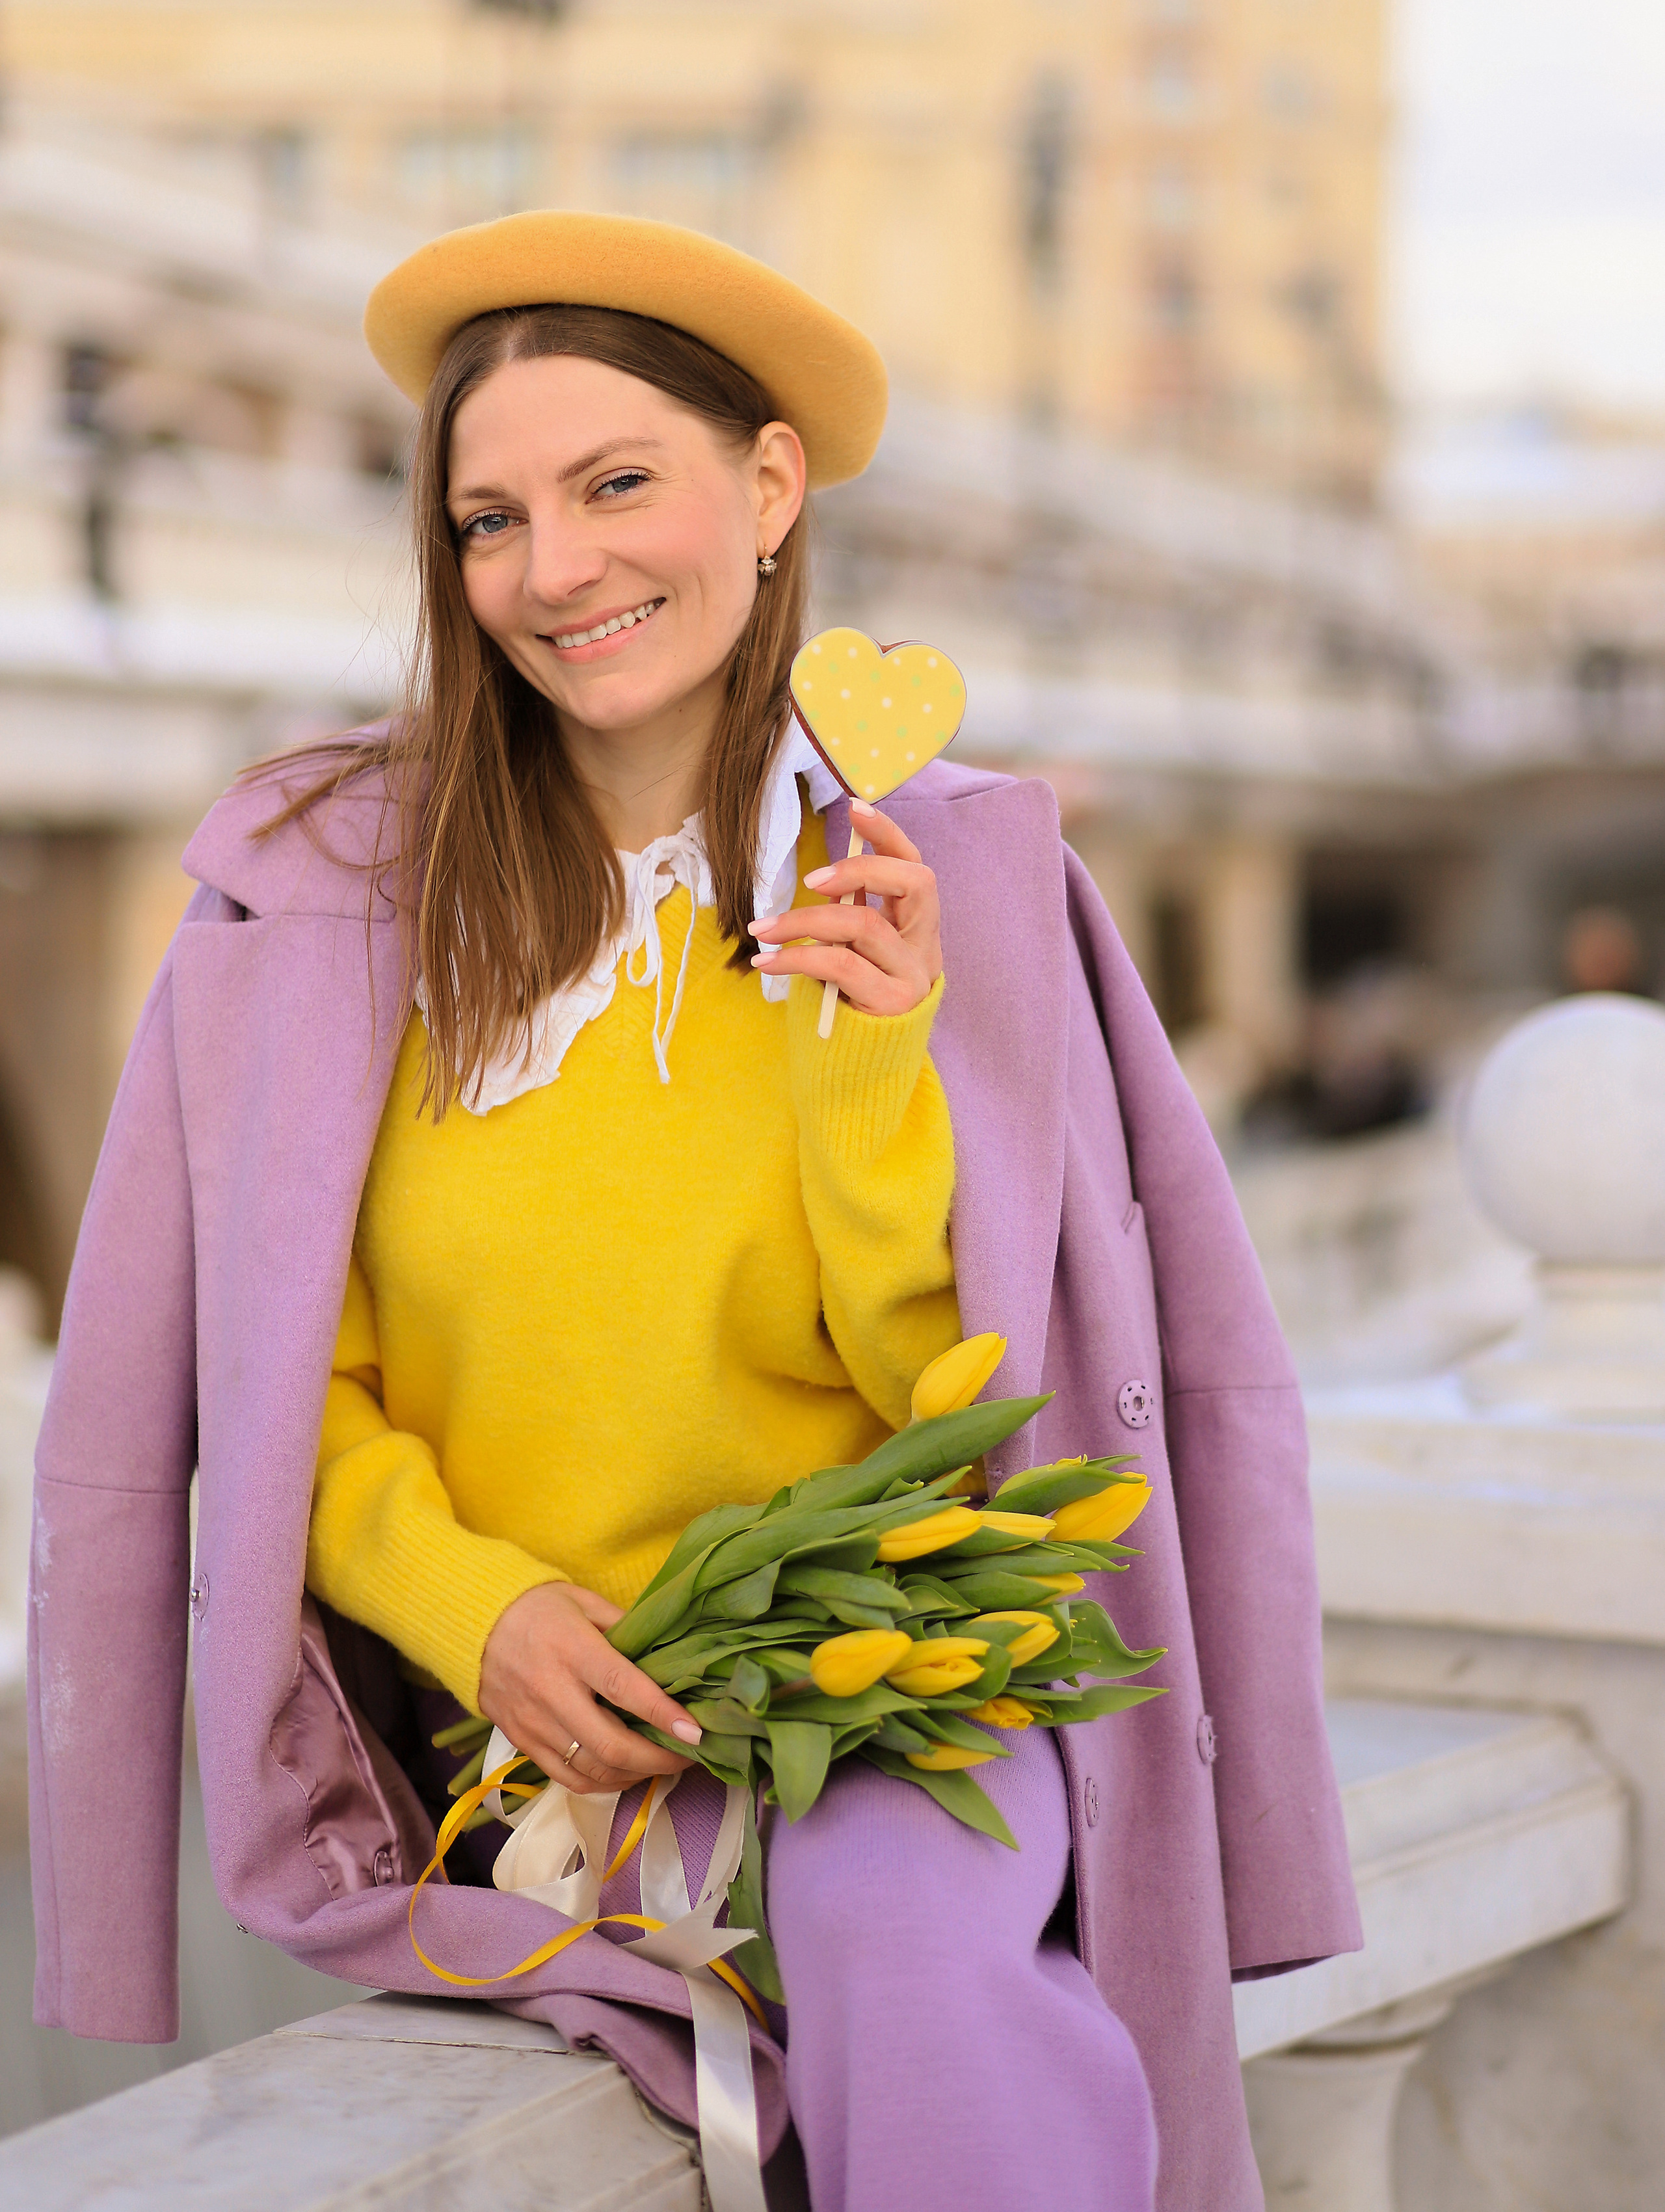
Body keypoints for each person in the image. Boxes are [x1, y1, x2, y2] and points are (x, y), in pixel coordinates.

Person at [28, 215, 1359, 2212]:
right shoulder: (310, 909)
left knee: (910, 1927)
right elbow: (278, 1388)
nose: (553, 568)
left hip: (892, 1695)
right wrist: (484, 1618)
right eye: (491, 518)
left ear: (768, 483)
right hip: (548, 1755)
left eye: (616, 483)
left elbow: (982, 1410)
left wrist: (867, 1061)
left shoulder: (958, 885)